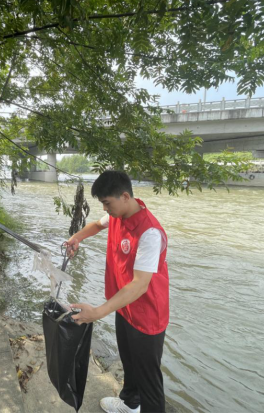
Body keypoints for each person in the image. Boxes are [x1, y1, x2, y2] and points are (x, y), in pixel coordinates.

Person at [66, 171, 169, 413]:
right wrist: (76, 238)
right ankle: (130, 404)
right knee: (129, 361)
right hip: (124, 305)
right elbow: (96, 225)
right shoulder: (117, 214)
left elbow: (140, 284)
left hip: (147, 314)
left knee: (149, 380)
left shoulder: (149, 232)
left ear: (124, 196)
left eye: (106, 203)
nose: (105, 208)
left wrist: (97, 312)